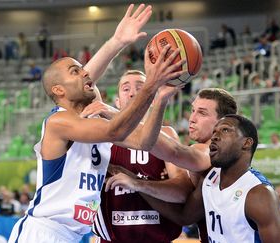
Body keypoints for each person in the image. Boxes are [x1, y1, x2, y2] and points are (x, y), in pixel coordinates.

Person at [9, 4, 186, 243]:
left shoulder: (92, 114)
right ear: (58, 89)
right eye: (75, 71)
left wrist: (118, 41)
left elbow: (144, 141)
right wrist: (150, 84)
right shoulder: (58, 121)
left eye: (83, 70)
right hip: (44, 232)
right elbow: (117, 129)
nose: (84, 74)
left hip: (73, 235)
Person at [106, 114, 280, 242]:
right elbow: (183, 217)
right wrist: (137, 183)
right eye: (214, 132)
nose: (215, 137)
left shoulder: (258, 195)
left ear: (247, 143)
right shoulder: (210, 179)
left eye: (225, 130)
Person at [97, 70, 193, 243]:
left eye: (141, 87)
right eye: (126, 89)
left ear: (152, 98)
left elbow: (183, 192)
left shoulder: (166, 134)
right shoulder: (100, 138)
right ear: (117, 102)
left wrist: (138, 184)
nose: (133, 92)